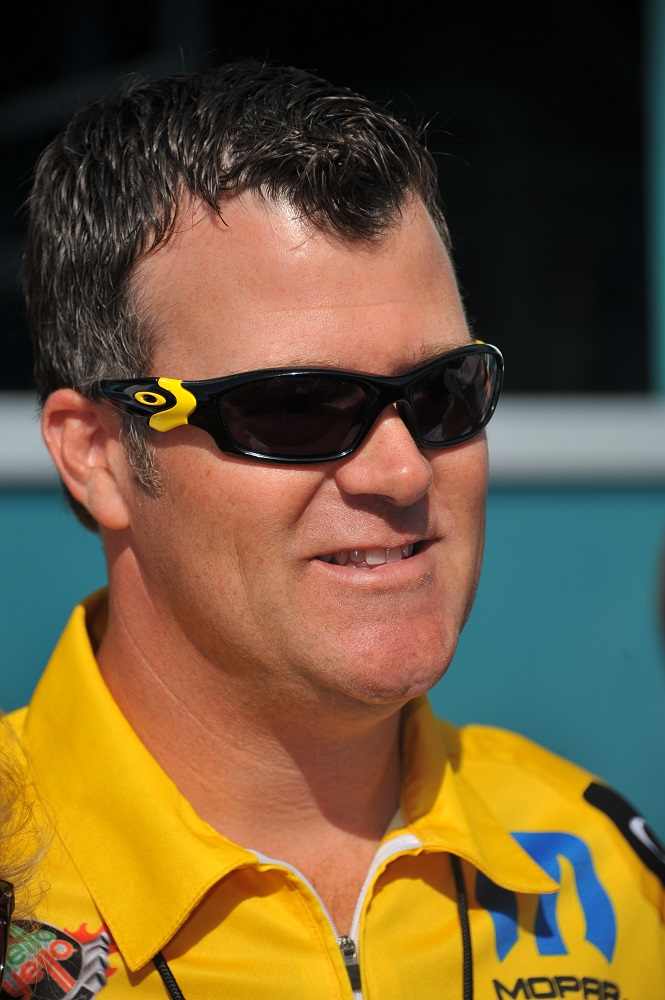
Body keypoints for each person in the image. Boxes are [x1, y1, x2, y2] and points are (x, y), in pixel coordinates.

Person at [11, 61, 664, 999]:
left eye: (443, 394)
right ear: (98, 454)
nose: (401, 472)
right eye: (296, 408)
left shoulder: (607, 871)